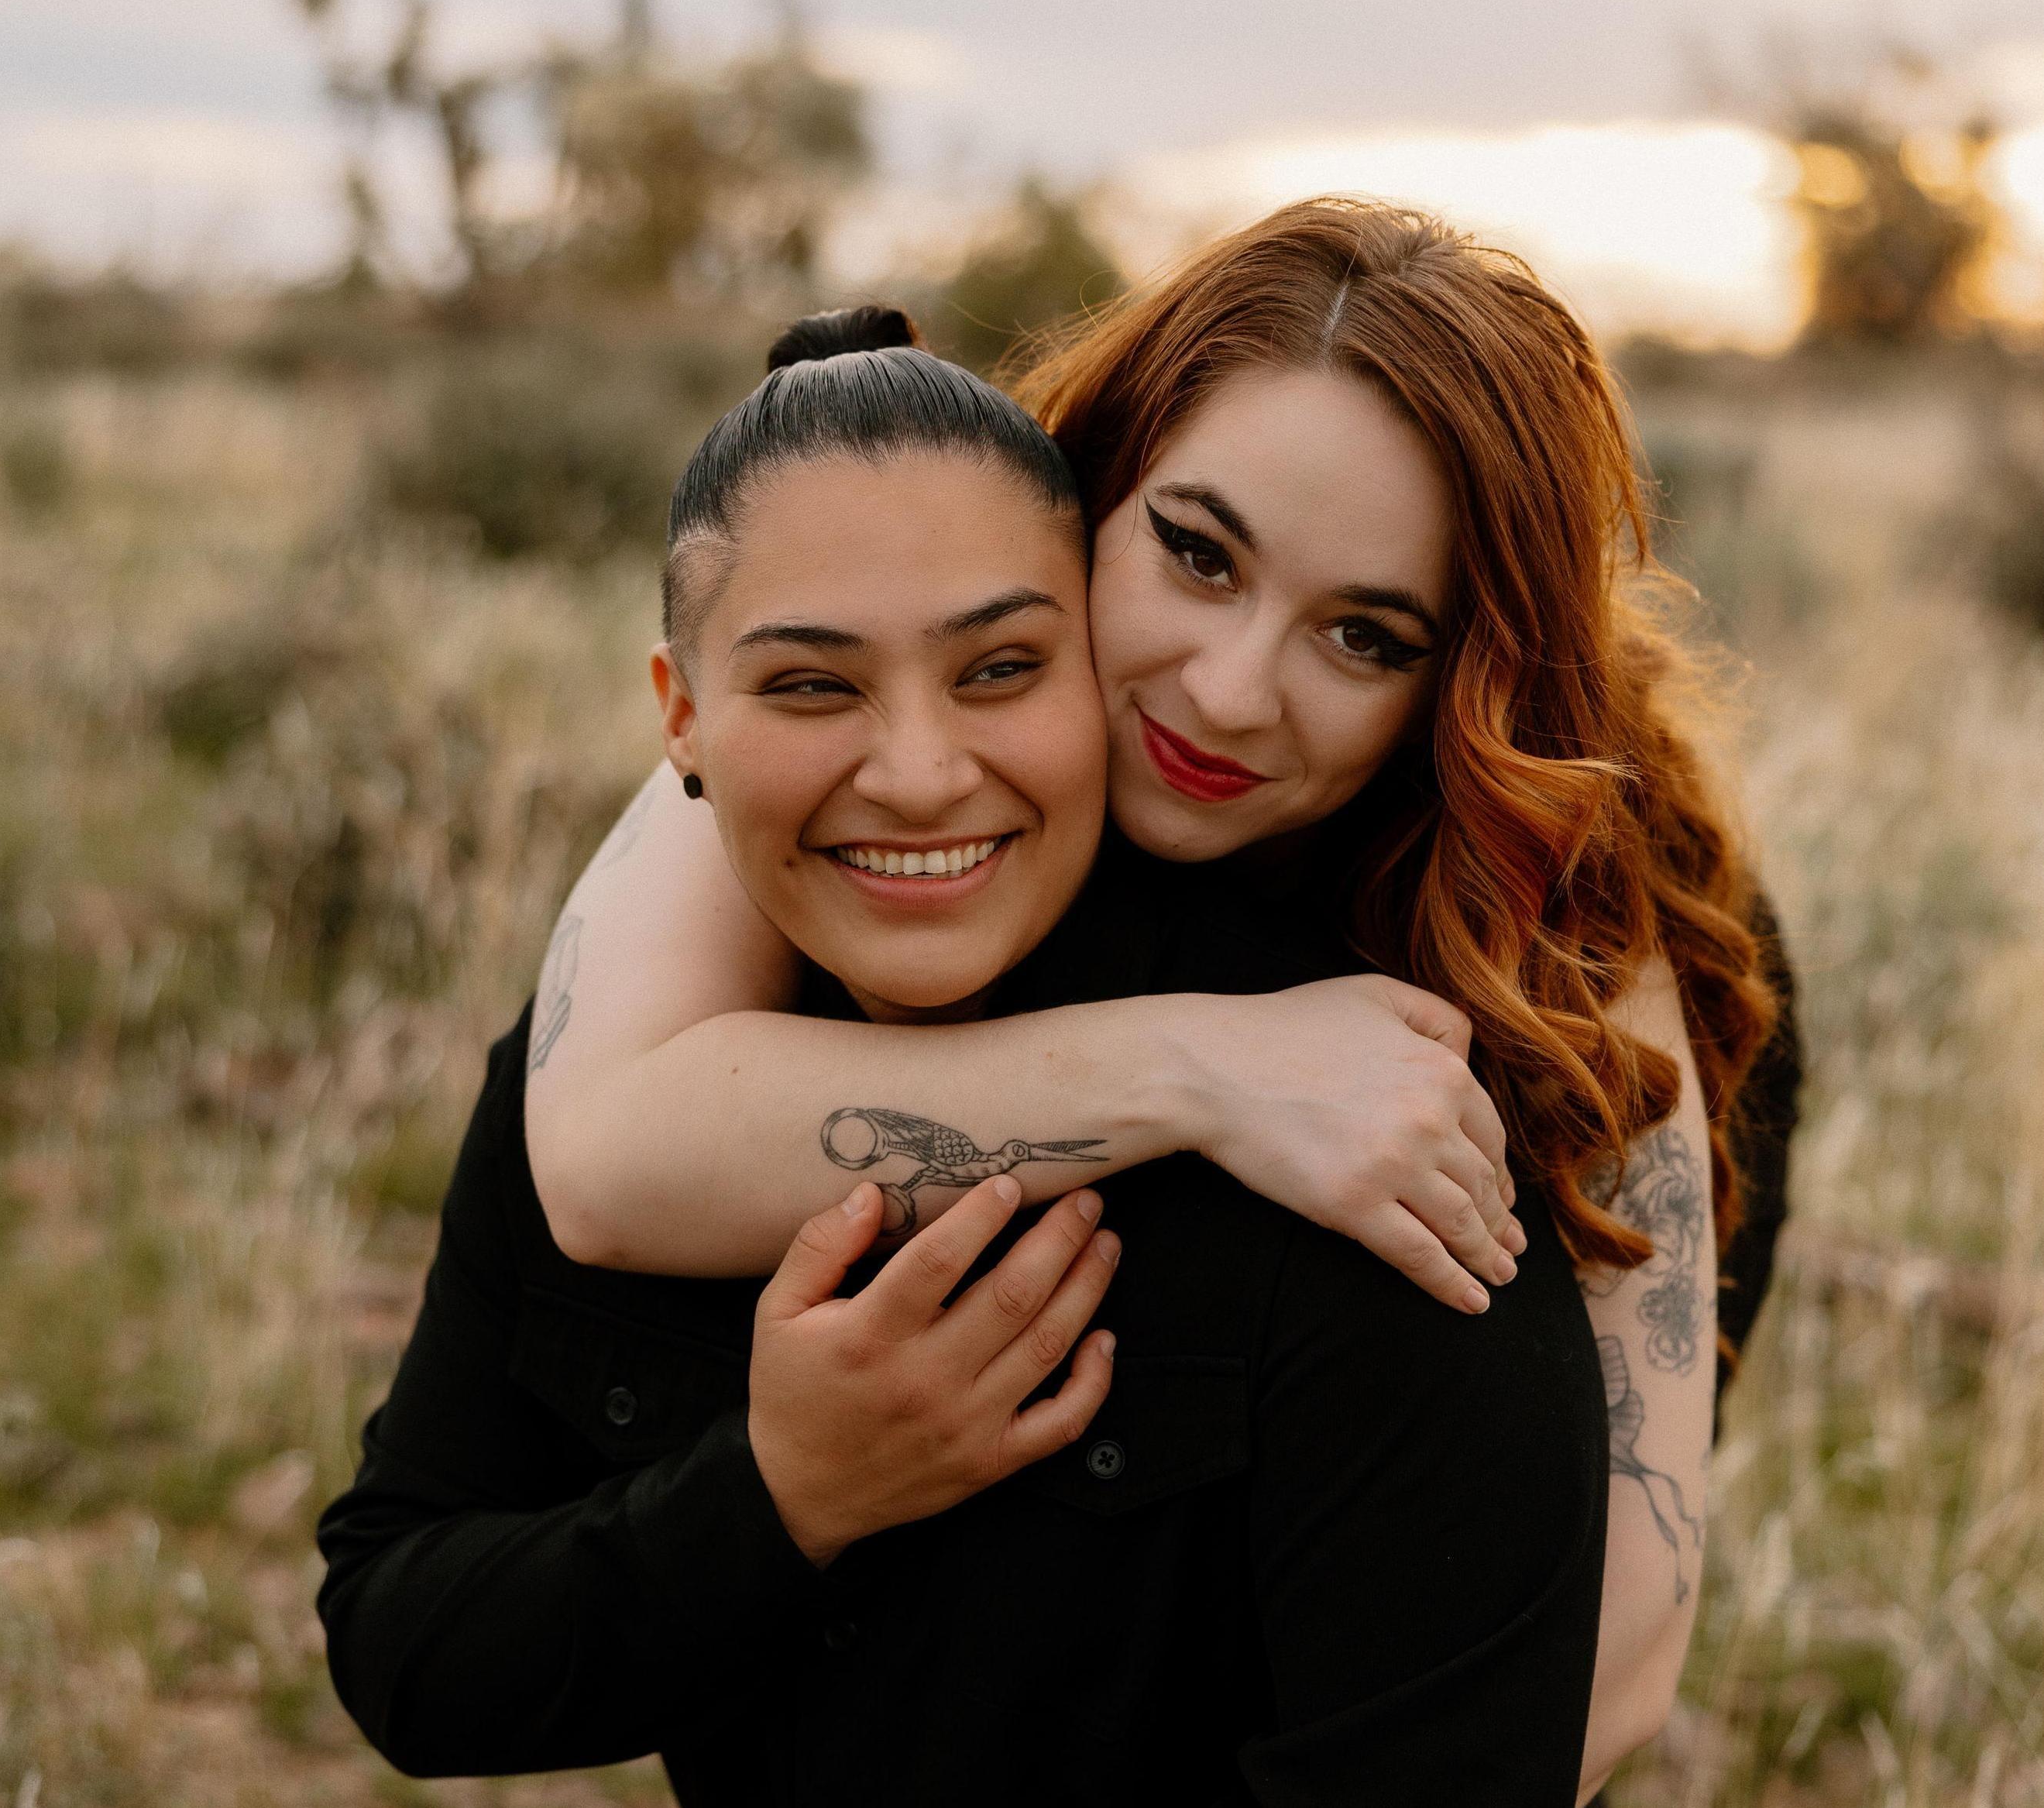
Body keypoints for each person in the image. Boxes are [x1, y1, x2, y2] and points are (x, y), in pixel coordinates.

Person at [517, 206, 1798, 1782]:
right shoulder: (887, 706)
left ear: (1453, 682)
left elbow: (1602, 1675)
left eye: (1365, 632)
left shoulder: (1568, 908)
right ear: (1087, 488)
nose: (1227, 688)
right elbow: (605, 1155)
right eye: (1196, 553)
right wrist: (1201, 1066)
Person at [318, 301, 1621, 1803]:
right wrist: (782, 1492)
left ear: (1078, 651)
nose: (922, 775)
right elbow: (403, 1646)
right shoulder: (615, 1060)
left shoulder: (1369, 1153)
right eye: (812, 683)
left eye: (999, 666)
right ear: (678, 718)